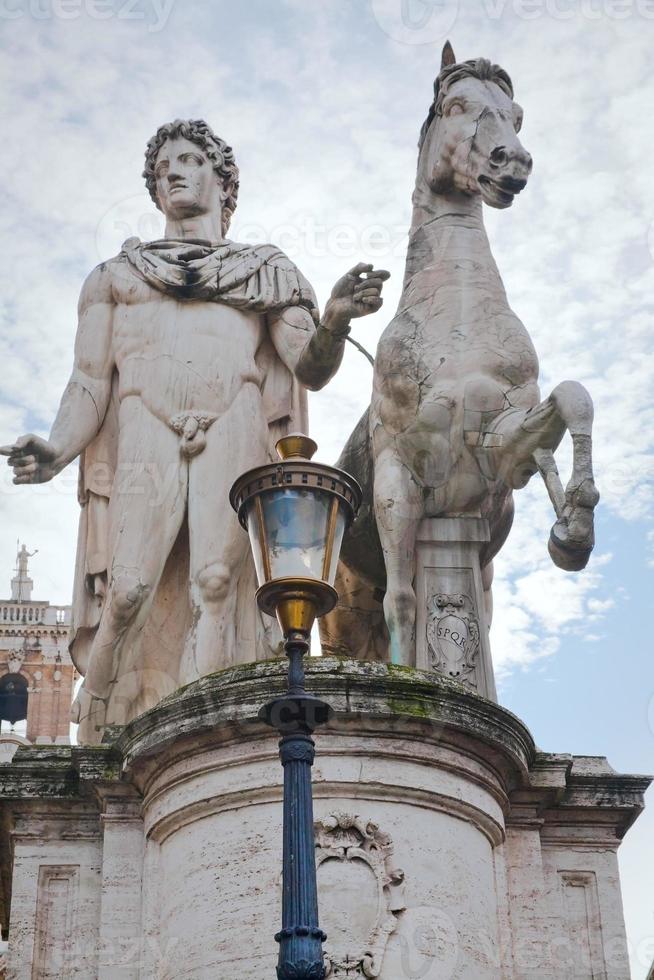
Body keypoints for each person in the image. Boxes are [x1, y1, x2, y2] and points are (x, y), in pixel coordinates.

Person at [1, 119, 389, 743]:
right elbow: (89, 382)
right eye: (160, 170)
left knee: (217, 583)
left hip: (232, 420)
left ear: (221, 178)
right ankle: (98, 720)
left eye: (187, 161)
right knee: (127, 590)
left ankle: (199, 739)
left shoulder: (266, 273)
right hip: (143, 425)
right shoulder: (115, 278)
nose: (172, 174)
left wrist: (336, 318)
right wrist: (53, 449)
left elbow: (309, 368)